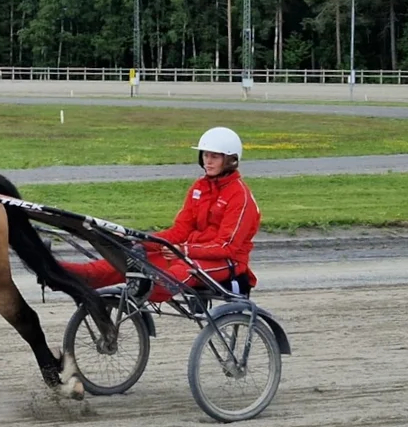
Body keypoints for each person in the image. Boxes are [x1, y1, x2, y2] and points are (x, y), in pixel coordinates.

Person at [60, 126, 261, 302]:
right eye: (205, 155)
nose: (208, 161)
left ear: (230, 160)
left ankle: (147, 288)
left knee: (182, 270)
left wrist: (185, 251)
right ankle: (66, 272)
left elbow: (227, 247)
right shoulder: (199, 187)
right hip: (186, 253)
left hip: (227, 263)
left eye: (214, 157)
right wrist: (139, 240)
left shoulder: (240, 197)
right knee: (132, 257)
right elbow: (180, 230)